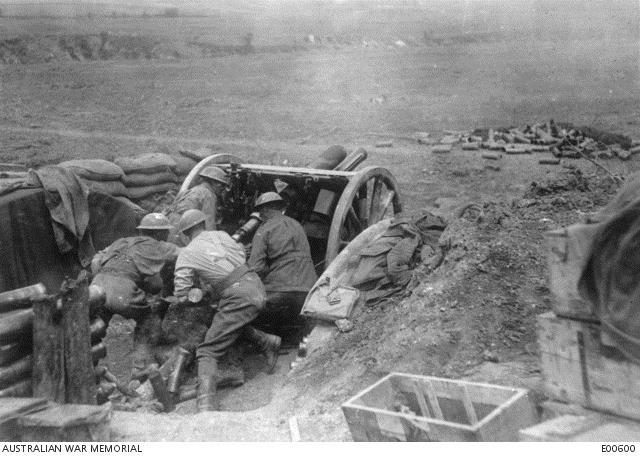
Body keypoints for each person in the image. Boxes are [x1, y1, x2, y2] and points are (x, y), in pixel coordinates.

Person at [173, 209, 281, 412]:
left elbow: (181, 290)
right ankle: (268, 341)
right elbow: (240, 255)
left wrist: (192, 294)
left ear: (186, 234)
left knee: (208, 350)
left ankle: (206, 405)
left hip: (238, 294)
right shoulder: (222, 235)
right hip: (254, 284)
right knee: (227, 323)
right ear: (203, 225)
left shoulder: (187, 253)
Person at [90, 213, 181, 377]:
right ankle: (139, 366)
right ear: (159, 233)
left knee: (96, 327)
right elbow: (186, 253)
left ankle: (89, 368)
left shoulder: (121, 241)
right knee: (148, 320)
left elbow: (96, 259)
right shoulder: (158, 245)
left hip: (98, 285)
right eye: (166, 232)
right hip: (122, 289)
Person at [248, 192, 318, 329]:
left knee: (241, 303)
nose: (260, 215)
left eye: (260, 211)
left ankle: (264, 340)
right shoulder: (297, 225)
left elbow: (256, 267)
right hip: (308, 290)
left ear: (265, 209)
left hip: (280, 291)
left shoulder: (264, 229)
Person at [167, 166, 228, 244]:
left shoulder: (188, 191)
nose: (223, 188)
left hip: (172, 230)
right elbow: (209, 224)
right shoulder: (209, 195)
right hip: (185, 232)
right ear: (212, 182)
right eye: (221, 184)